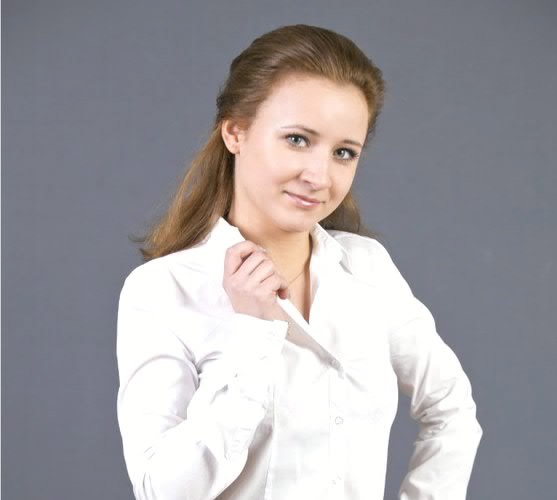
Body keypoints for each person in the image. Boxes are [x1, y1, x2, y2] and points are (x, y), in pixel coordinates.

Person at [116, 23, 483, 500]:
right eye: (297, 139)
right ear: (235, 132)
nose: (319, 175)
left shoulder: (368, 269)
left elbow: (451, 408)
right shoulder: (163, 289)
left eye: (343, 153)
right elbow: (162, 490)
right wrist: (252, 334)